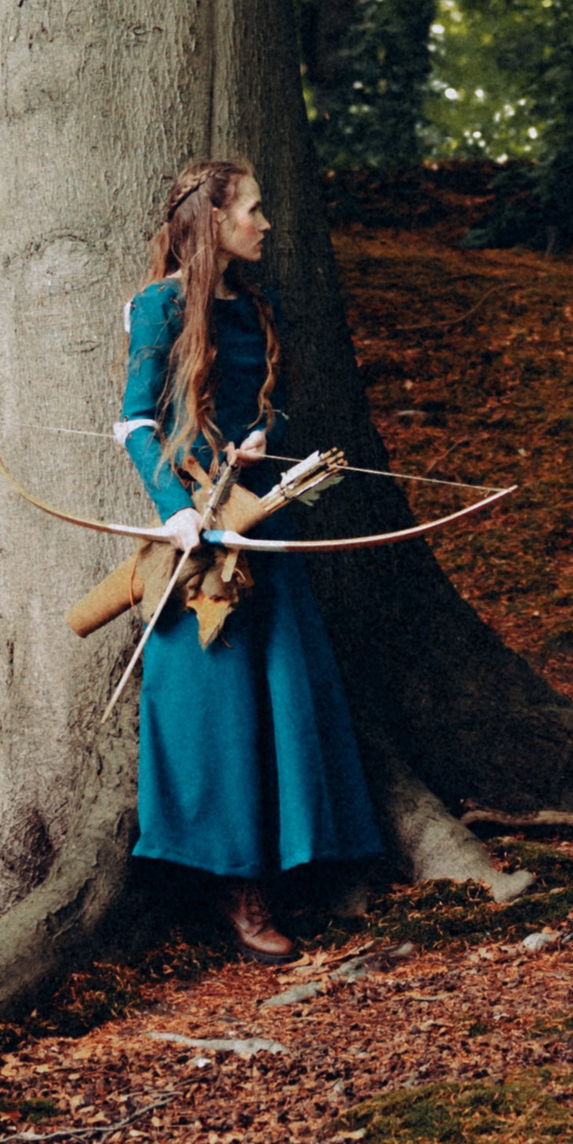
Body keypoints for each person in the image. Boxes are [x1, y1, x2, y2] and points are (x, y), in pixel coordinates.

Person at [113, 158, 383, 961]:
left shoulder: (256, 310)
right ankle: (233, 889)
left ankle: (294, 870)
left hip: (260, 525)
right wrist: (177, 515)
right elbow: (132, 424)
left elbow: (269, 397)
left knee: (283, 702)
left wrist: (265, 433)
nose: (265, 224)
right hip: (203, 544)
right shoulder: (159, 308)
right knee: (216, 714)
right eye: (254, 210)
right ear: (215, 221)